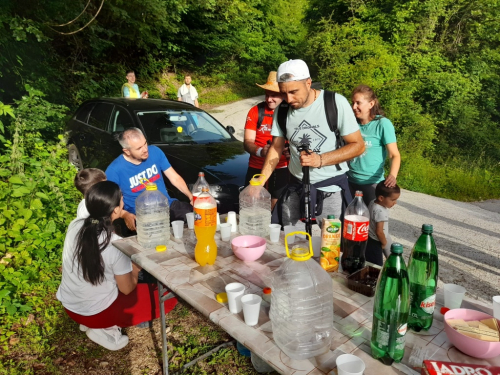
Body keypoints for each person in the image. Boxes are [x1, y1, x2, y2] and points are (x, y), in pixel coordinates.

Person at [56, 181, 177, 350]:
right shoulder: (115, 244)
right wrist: (135, 268)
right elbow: (127, 289)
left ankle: (95, 325)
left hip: (70, 306)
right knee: (169, 296)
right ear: (115, 209)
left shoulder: (75, 225)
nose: (123, 200)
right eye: (121, 198)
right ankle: (105, 329)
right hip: (96, 313)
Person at [260, 59, 365, 225]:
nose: (288, 98)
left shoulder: (334, 103)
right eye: (283, 93)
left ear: (308, 83)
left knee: (329, 246)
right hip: (296, 186)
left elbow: (358, 145)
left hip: (331, 189)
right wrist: (260, 181)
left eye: (294, 91)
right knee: (289, 242)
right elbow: (276, 147)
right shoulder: (282, 110)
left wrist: (320, 160)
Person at [105, 128, 193, 232]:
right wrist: (125, 215)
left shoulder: (155, 151)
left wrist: (191, 196)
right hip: (142, 215)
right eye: (139, 148)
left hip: (167, 205)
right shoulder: (114, 170)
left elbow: (174, 177)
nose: (145, 149)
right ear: (127, 151)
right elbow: (111, 203)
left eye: (145, 143)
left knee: (195, 216)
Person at [348, 85, 401, 206]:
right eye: (353, 103)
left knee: (375, 222)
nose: (354, 107)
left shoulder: (382, 124)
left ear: (371, 104)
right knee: (350, 222)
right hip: (350, 181)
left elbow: (394, 155)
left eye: (358, 103)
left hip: (372, 183)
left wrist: (392, 175)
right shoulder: (351, 123)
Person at [244, 71, 289, 209]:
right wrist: (260, 151)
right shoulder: (256, 111)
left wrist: (291, 152)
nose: (269, 99)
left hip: (282, 167)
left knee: (277, 207)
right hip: (256, 166)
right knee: (252, 206)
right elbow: (247, 142)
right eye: (267, 94)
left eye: (274, 95)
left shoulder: (290, 112)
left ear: (283, 94)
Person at [366, 181, 401, 265]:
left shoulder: (372, 202)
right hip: (376, 241)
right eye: (393, 200)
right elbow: (379, 231)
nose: (395, 203)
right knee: (377, 265)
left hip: (369, 238)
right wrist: (384, 242)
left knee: (369, 261)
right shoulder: (381, 211)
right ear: (381, 198)